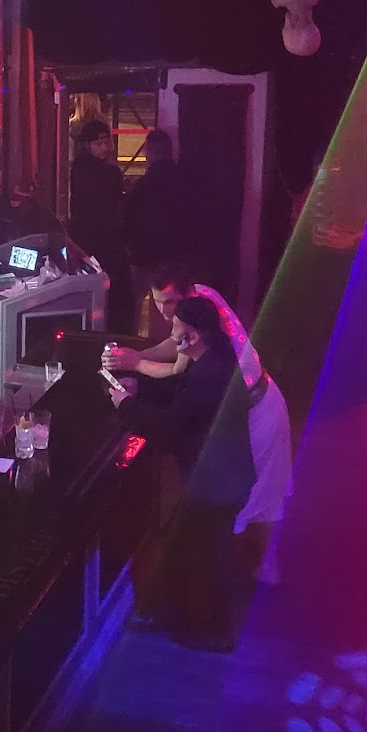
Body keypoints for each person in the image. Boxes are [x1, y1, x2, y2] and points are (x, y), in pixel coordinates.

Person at [117, 296, 257, 652]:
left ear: (192, 336)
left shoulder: (208, 378)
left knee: (210, 554)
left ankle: (213, 632)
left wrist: (125, 404)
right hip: (226, 473)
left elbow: (168, 426)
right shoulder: (215, 356)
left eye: (176, 328)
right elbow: (182, 395)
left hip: (217, 481)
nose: (171, 333)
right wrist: (141, 389)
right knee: (198, 547)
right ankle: (176, 613)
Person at [124, 130, 189, 335]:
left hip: (144, 256)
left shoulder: (142, 186)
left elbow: (129, 221)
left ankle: (138, 343)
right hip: (174, 256)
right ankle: (168, 343)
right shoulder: (185, 182)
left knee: (136, 307)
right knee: (167, 308)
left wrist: (130, 248)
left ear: (149, 153)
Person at [68, 120, 131, 328]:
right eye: (99, 143)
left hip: (94, 244)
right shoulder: (91, 172)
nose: (104, 148)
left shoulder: (83, 169)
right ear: (88, 145)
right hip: (100, 244)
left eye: (106, 143)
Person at [0, 180, 56, 255]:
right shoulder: (0, 215)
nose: (15, 203)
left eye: (26, 201)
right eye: (15, 199)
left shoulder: (36, 214)